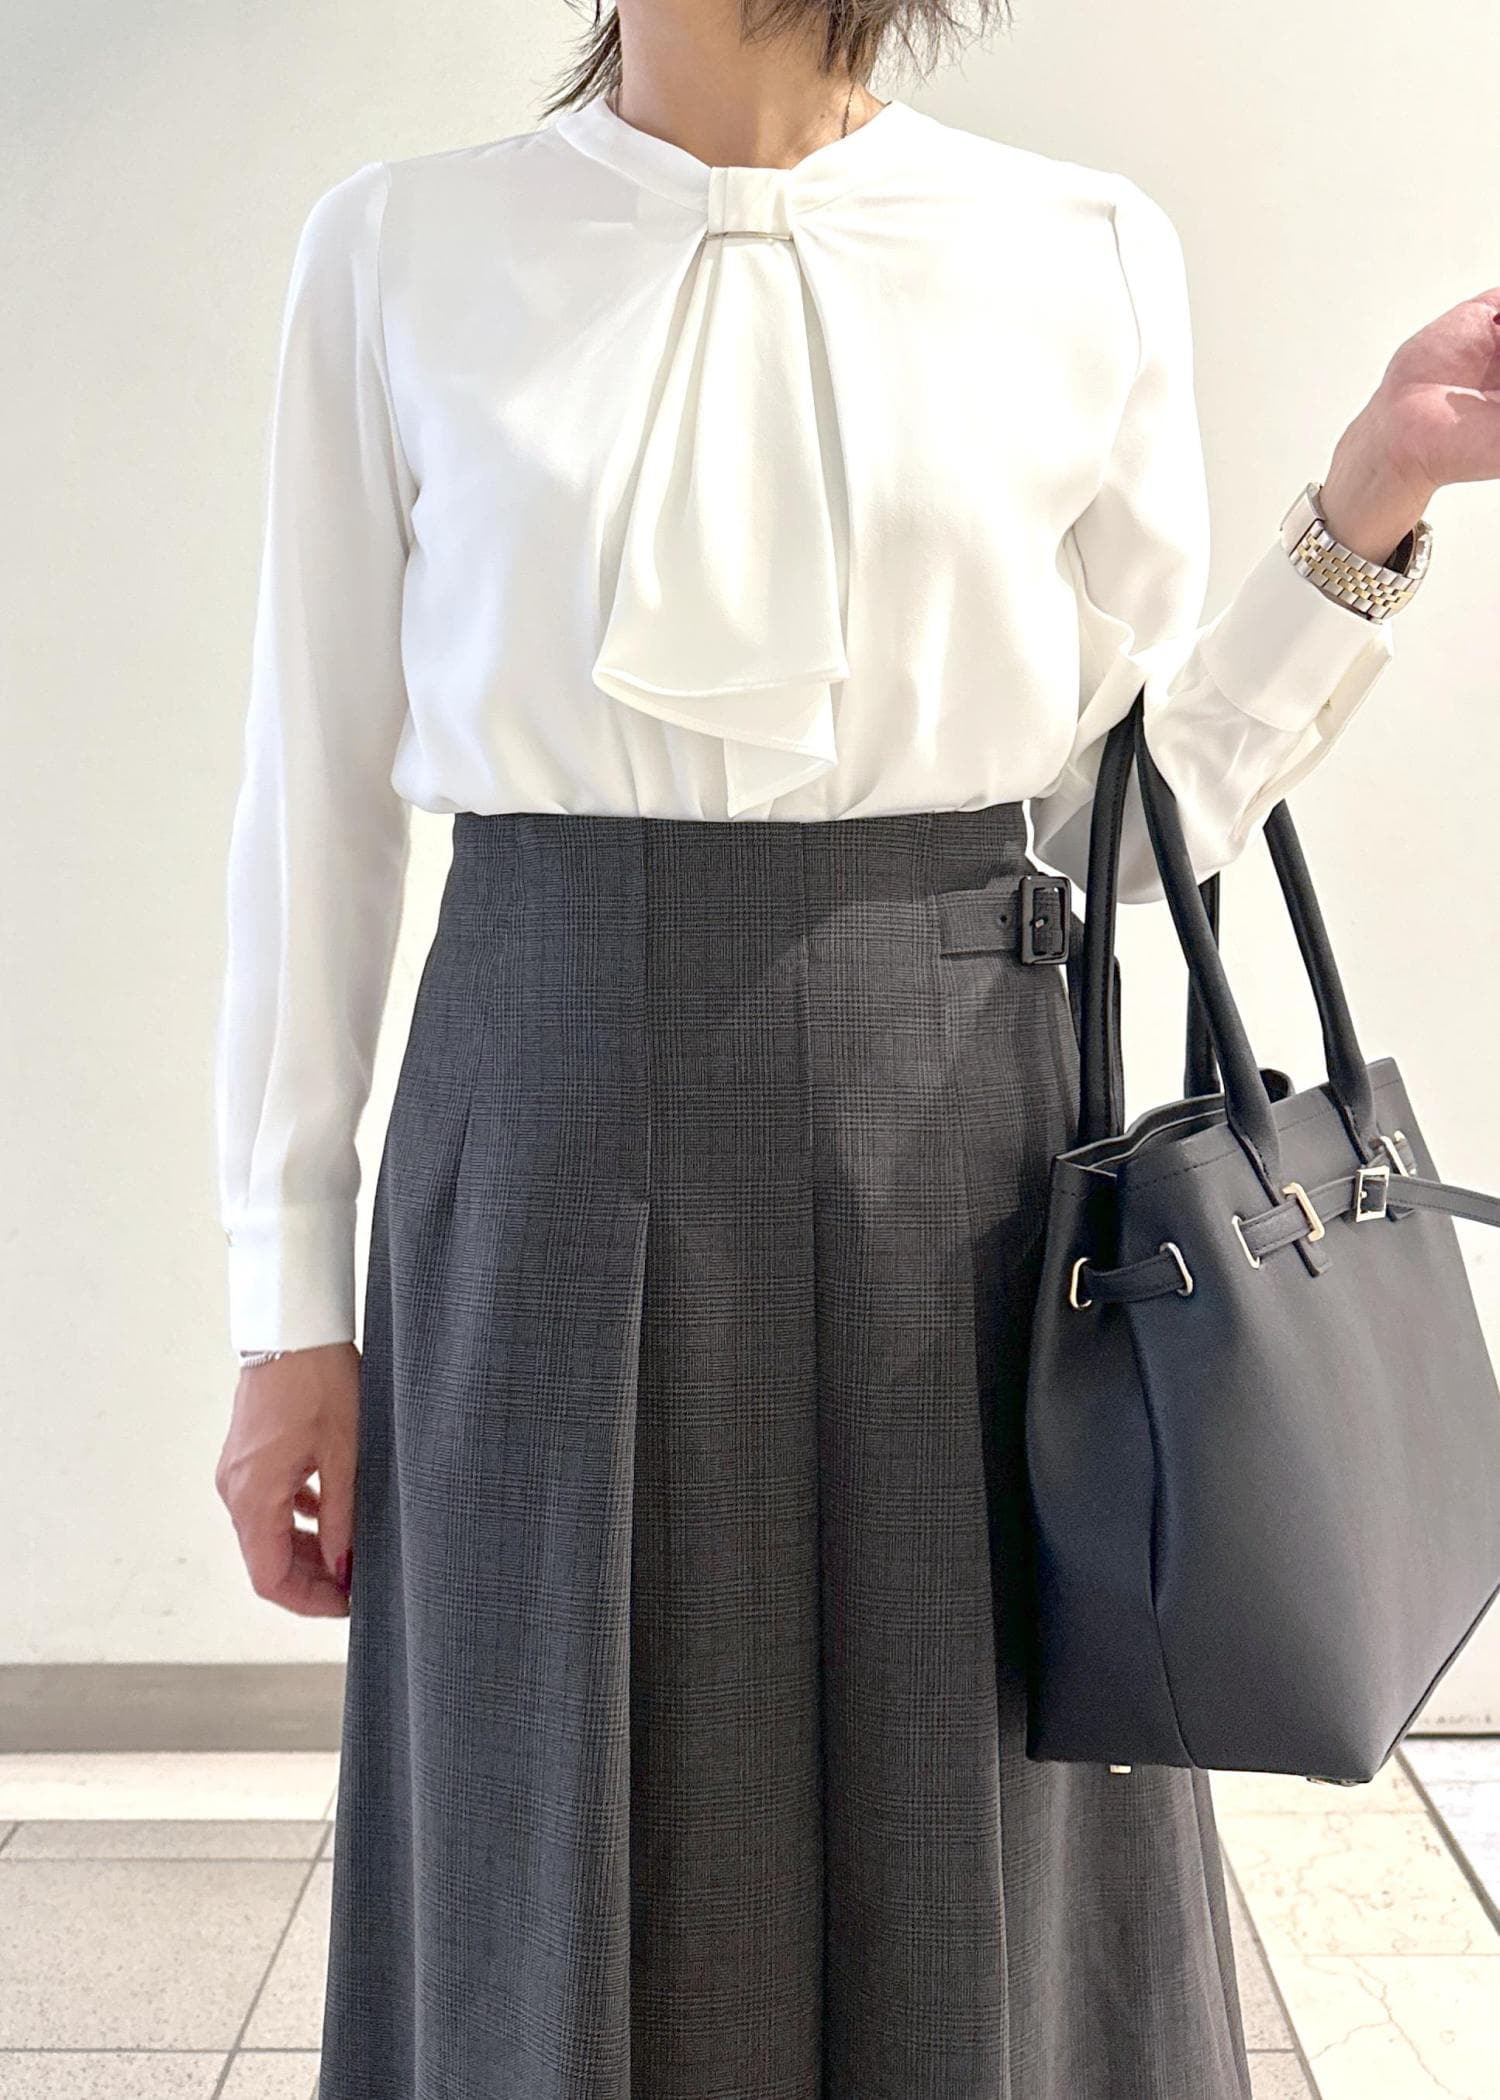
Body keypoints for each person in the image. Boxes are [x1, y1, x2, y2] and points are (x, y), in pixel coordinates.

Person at [212, 2, 1496, 2093]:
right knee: (547, 1813)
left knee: (968, 1815)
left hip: (957, 1137)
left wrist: (1375, 493)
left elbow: (1116, 821)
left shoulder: (1076, 247)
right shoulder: (400, 250)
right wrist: (287, 1302)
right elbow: (315, 793)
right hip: (540, 1124)